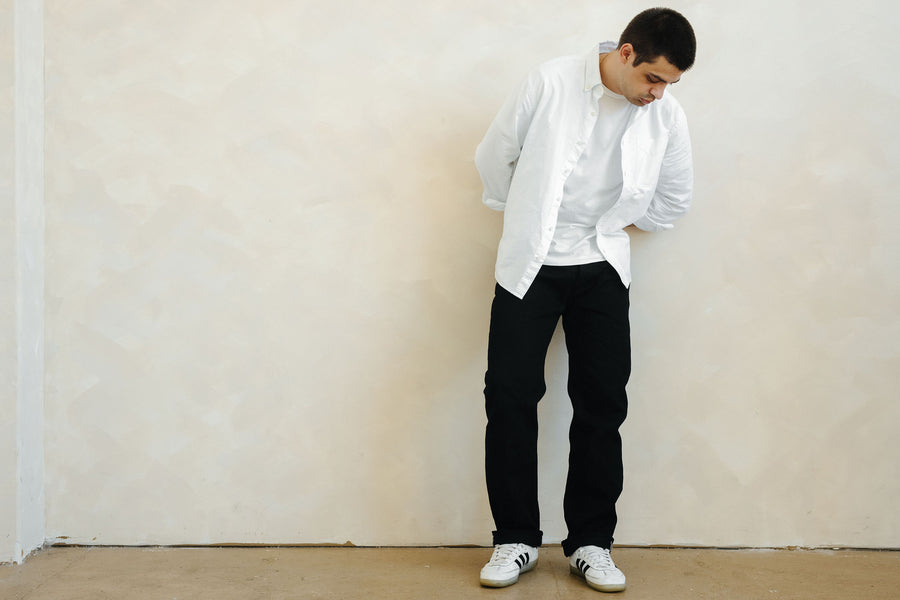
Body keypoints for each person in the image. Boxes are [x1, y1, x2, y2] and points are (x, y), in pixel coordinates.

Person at [474, 7, 697, 593]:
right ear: (626, 54)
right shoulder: (549, 81)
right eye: (654, 78)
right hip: (530, 266)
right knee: (511, 399)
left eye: (670, 83)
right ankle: (514, 540)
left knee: (602, 406)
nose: (659, 93)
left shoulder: (665, 115)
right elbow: (494, 159)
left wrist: (611, 227)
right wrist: (528, 218)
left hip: (602, 270)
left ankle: (590, 542)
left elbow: (674, 200)